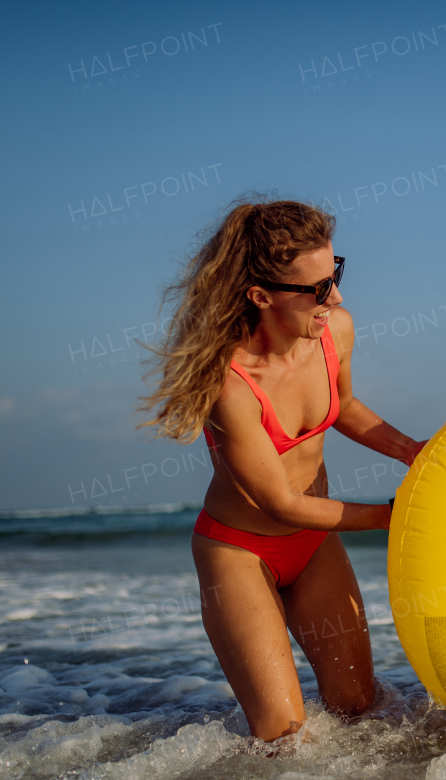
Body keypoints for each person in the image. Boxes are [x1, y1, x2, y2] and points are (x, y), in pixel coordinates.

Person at [140, 198, 425, 742]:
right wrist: (395, 516)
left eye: (335, 273)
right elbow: (280, 503)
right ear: (260, 295)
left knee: (359, 709)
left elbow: (343, 405)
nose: (335, 297)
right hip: (240, 551)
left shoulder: (333, 330)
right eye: (317, 288)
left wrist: (408, 448)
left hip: (313, 544)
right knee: (285, 737)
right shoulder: (228, 382)